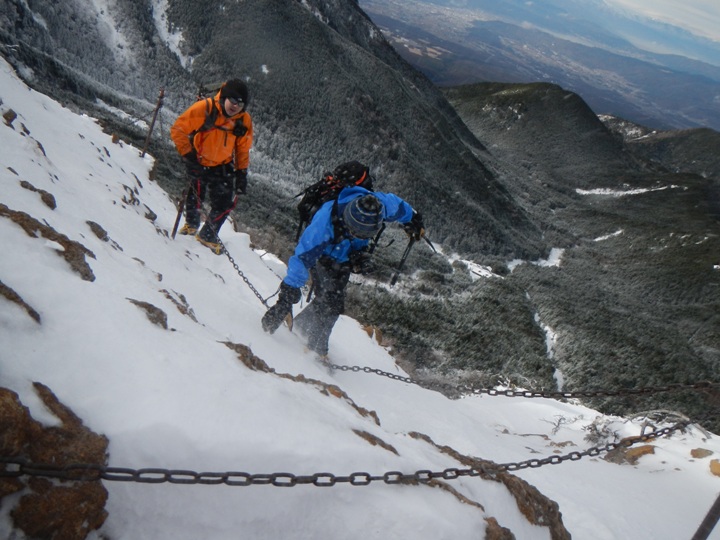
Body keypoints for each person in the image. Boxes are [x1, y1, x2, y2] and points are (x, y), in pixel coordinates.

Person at [261, 164, 425, 357]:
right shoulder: (325, 222)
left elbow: (396, 205)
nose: (358, 235)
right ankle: (315, 349)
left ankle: (304, 333)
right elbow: (302, 259)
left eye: (364, 234)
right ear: (347, 220)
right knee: (331, 303)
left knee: (330, 302)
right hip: (325, 256)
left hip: (344, 257)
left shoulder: (376, 205)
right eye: (355, 231)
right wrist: (285, 301)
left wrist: (413, 219)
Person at [170, 79, 253, 254]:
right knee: (195, 194)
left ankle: (207, 234)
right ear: (224, 97)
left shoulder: (243, 121)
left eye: (241, 103)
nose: (236, 106)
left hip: (222, 164)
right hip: (199, 161)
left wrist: (241, 173)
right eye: (233, 100)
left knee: (225, 202)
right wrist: (189, 156)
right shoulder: (205, 108)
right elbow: (178, 129)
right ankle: (192, 224)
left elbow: (243, 149)